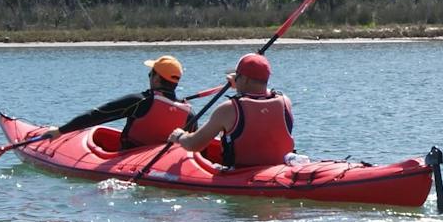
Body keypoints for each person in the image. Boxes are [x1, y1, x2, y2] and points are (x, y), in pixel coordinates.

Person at [166, 52, 294, 168]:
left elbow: (194, 145)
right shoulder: (285, 102)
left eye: (237, 75)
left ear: (245, 79)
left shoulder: (229, 109)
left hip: (239, 174)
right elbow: (258, 93)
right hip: (278, 169)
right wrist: (240, 83)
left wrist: (180, 136)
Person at [55, 55, 193, 149]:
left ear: (156, 79)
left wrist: (60, 131)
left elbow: (97, 115)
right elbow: (195, 145)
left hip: (129, 157)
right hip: (162, 162)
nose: (149, 76)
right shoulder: (189, 113)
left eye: (151, 73)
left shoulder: (140, 101)